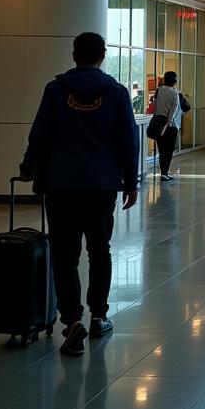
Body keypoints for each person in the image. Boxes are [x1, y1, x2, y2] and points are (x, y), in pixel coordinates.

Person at [18, 32, 138, 357]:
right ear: (103, 55)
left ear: (74, 54)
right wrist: (131, 181)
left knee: (64, 256)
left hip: (62, 185)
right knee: (100, 251)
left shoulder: (56, 90)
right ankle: (99, 316)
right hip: (101, 187)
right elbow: (129, 140)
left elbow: (40, 134)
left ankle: (72, 321)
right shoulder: (115, 92)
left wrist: (28, 167)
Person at [153, 70, 182, 182]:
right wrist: (168, 123)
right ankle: (164, 173)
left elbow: (156, 106)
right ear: (174, 80)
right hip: (170, 125)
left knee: (162, 149)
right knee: (169, 150)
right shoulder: (174, 92)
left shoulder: (159, 90)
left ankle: (163, 172)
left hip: (158, 122)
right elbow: (173, 111)